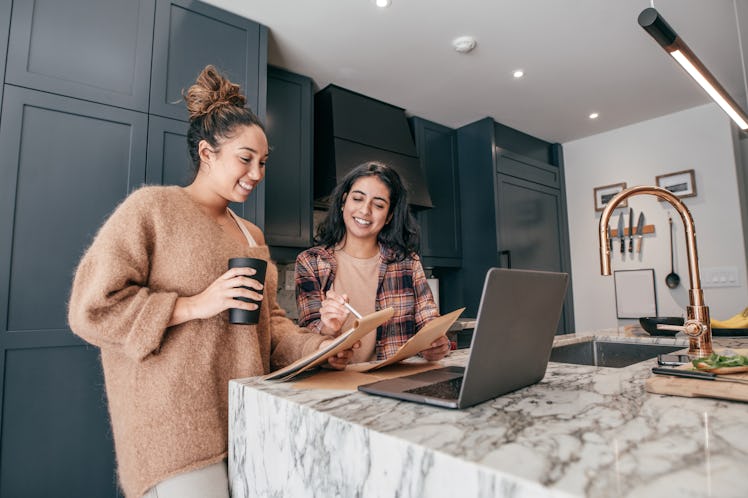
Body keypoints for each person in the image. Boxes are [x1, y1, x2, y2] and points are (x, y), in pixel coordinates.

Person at [67, 65, 357, 498]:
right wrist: (194, 304)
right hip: (173, 433)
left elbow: (269, 325)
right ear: (207, 153)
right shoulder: (152, 210)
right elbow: (92, 309)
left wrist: (323, 345)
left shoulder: (250, 235)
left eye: (263, 162)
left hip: (244, 420)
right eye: (245, 158)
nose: (257, 173)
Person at [295, 161, 451, 363]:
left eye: (378, 205)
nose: (365, 210)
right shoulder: (311, 262)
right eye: (358, 199)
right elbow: (307, 339)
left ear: (389, 216)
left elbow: (429, 322)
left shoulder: (408, 263)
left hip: (394, 382)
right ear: (344, 202)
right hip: (336, 383)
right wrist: (328, 328)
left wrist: (436, 344)